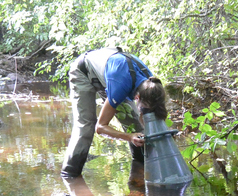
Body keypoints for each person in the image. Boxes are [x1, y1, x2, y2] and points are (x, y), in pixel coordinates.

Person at [61, 47, 168, 178]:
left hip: (113, 75)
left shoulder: (152, 85)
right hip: (84, 71)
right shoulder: (120, 86)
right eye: (144, 110)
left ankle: (140, 171)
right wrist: (129, 137)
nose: (144, 114)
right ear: (137, 98)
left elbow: (153, 116)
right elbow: (100, 127)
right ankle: (70, 174)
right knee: (86, 125)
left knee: (135, 126)